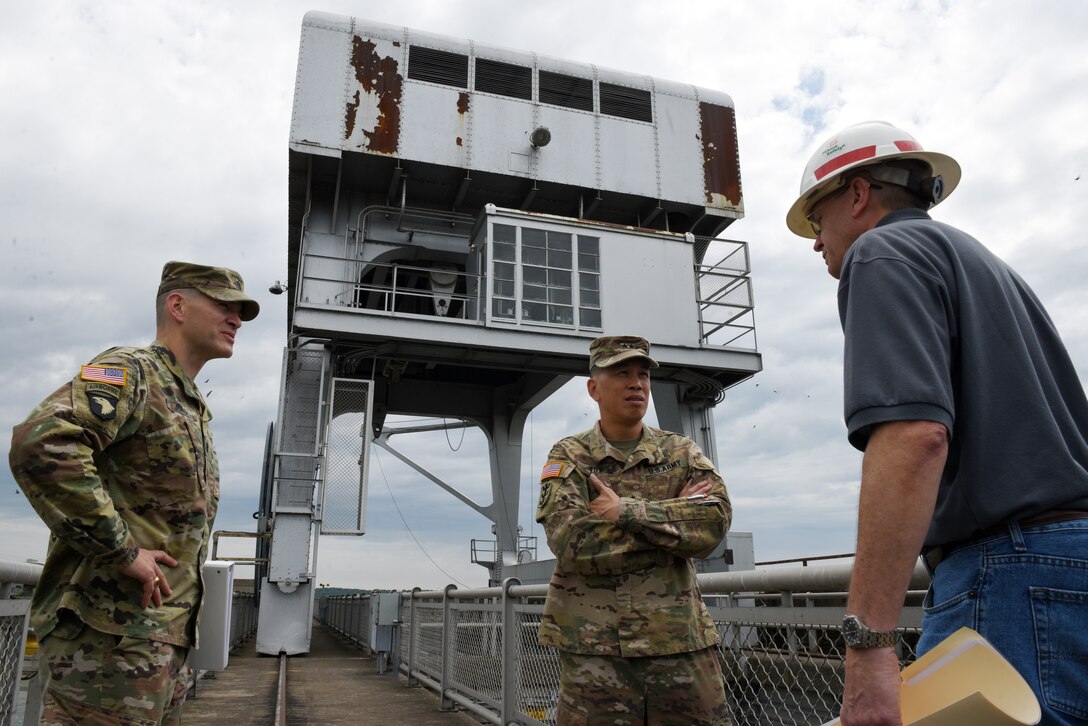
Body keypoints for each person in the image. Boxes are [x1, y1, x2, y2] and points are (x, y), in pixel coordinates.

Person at [786, 120, 1088, 725]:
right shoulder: (991, 268)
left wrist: (868, 644)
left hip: (1008, 575)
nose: (816, 243)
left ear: (857, 194)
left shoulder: (880, 254)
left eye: (817, 222)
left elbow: (916, 436)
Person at [10, 261, 259, 725]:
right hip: (106, 645)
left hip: (157, 644)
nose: (236, 319)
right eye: (224, 305)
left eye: (239, 310)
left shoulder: (188, 403)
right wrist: (123, 552)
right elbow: (41, 443)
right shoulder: (132, 372)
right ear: (177, 305)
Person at [535, 335, 733, 725]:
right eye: (622, 373)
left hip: (679, 642)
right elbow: (571, 541)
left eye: (642, 375)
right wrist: (673, 528)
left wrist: (624, 511)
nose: (636, 384)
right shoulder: (570, 455)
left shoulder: (680, 451)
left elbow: (713, 524)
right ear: (594, 388)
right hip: (596, 649)